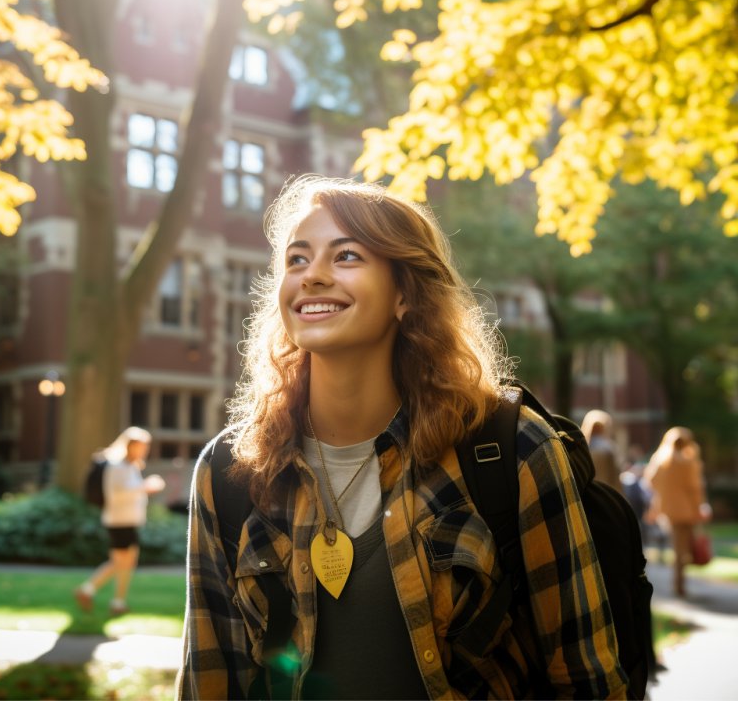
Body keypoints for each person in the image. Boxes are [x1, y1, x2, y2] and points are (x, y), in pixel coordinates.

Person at [177, 175, 627, 699]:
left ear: (404, 295)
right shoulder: (230, 469)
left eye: (346, 256)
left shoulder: (512, 450)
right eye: (297, 259)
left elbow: (587, 683)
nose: (313, 276)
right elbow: (210, 684)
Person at [74, 427, 165, 615]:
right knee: (121, 562)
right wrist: (145, 487)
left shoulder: (131, 466)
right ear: (130, 446)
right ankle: (104, 597)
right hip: (118, 521)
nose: (143, 451)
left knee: (125, 562)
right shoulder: (116, 466)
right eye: (140, 447)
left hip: (129, 520)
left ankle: (109, 598)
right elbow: (116, 494)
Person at [644, 426, 711, 598]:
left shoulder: (660, 460)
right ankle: (679, 585)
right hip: (687, 511)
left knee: (678, 547)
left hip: (669, 512)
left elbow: (650, 481)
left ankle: (678, 584)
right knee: (682, 550)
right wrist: (699, 508)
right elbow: (695, 488)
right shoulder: (688, 462)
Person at [580, 409, 624, 494]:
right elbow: (616, 476)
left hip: (587, 495)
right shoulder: (609, 448)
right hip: (606, 494)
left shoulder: (581, 449)